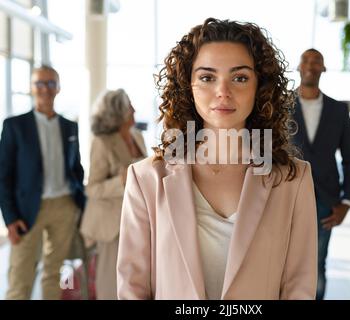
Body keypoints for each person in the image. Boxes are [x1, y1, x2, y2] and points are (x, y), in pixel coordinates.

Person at [117, 18, 317, 300]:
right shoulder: (147, 179)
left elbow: (299, 286)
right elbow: (133, 287)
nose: (223, 91)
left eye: (239, 77)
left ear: (260, 87)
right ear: (188, 85)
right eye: (207, 77)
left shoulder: (293, 180)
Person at [0, 65, 86, 300]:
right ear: (31, 88)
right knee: (21, 274)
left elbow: (76, 167)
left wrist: (80, 203)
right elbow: (3, 175)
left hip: (64, 206)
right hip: (27, 211)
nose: (45, 89)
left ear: (58, 88)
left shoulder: (70, 126)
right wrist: (9, 218)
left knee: (54, 272)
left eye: (50, 83)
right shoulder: (14, 126)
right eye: (39, 83)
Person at [293, 49, 350, 300]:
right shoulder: (280, 105)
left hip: (324, 202)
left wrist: (346, 201)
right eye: (306, 60)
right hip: (285, 197)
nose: (310, 65)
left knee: (316, 265)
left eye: (316, 60)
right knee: (283, 262)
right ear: (299, 67)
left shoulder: (338, 110)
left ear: (324, 68)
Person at [79, 89, 147, 300]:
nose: (134, 109)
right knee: (110, 281)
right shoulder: (102, 142)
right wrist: (121, 180)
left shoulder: (137, 136)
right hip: (111, 225)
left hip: (137, 218)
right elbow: (92, 188)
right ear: (118, 113)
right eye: (129, 106)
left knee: (135, 277)